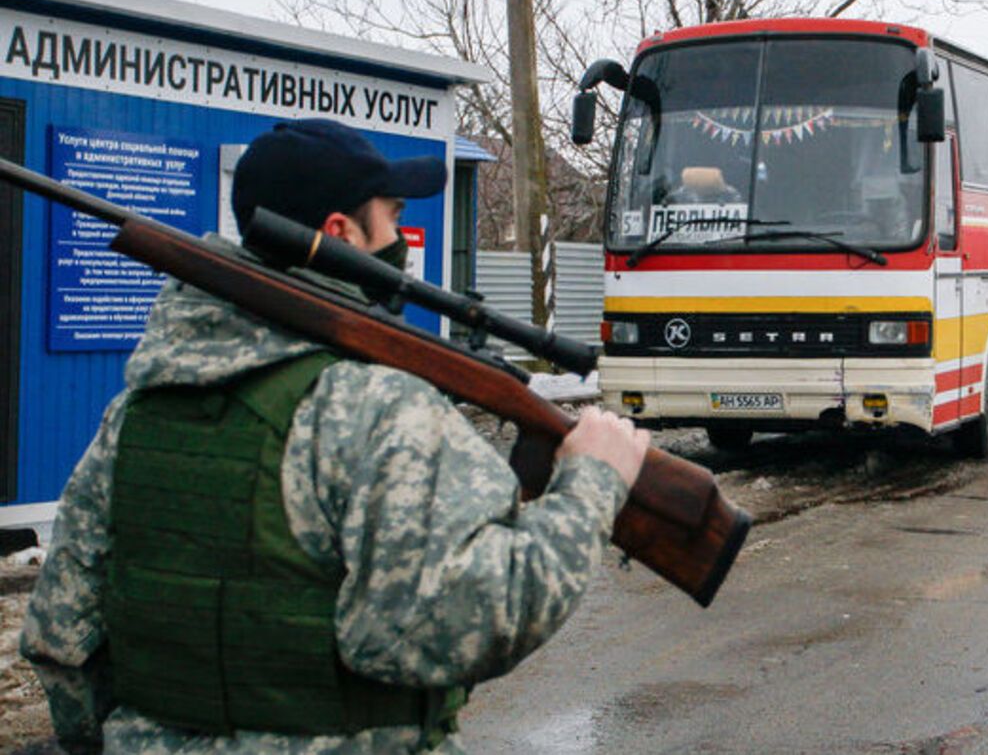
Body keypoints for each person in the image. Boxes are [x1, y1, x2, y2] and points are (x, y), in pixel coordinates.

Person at [21, 118, 650, 754]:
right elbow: (453, 622)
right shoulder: (377, 408)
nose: (402, 238)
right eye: (392, 217)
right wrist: (591, 486)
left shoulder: (138, 412)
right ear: (339, 235)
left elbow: (60, 638)